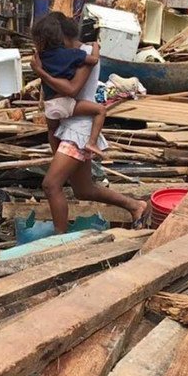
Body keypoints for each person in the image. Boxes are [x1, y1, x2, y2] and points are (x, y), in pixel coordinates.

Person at [31, 12, 150, 234]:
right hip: (68, 126)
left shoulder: (84, 54)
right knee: (84, 190)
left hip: (80, 129)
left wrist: (40, 72)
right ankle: (136, 206)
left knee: (50, 184)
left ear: (60, 36)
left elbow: (72, 89)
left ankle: (59, 239)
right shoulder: (64, 55)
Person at [32, 14, 106, 157]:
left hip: (73, 126)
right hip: (71, 123)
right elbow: (71, 88)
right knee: (75, 180)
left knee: (53, 180)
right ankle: (92, 142)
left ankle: (59, 155)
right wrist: (96, 46)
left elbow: (71, 89)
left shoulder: (78, 53)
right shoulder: (73, 55)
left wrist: (40, 72)